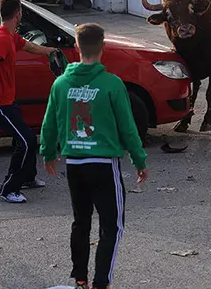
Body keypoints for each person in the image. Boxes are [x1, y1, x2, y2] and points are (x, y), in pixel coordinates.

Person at [40, 23, 149, 289]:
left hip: (75, 163)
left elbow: (49, 122)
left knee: (81, 222)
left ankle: (80, 278)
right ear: (104, 47)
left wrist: (48, 151)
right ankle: (102, 282)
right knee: (112, 225)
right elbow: (127, 126)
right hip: (103, 164)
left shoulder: (61, 83)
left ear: (76, 47)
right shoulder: (112, 84)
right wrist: (139, 159)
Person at [0, 0, 56, 203]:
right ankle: (9, 188)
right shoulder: (1, 38)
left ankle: (28, 178)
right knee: (27, 140)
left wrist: (48, 51)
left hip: (7, 100)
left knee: (22, 136)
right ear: (18, 14)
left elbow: (28, 46)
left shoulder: (11, 35)